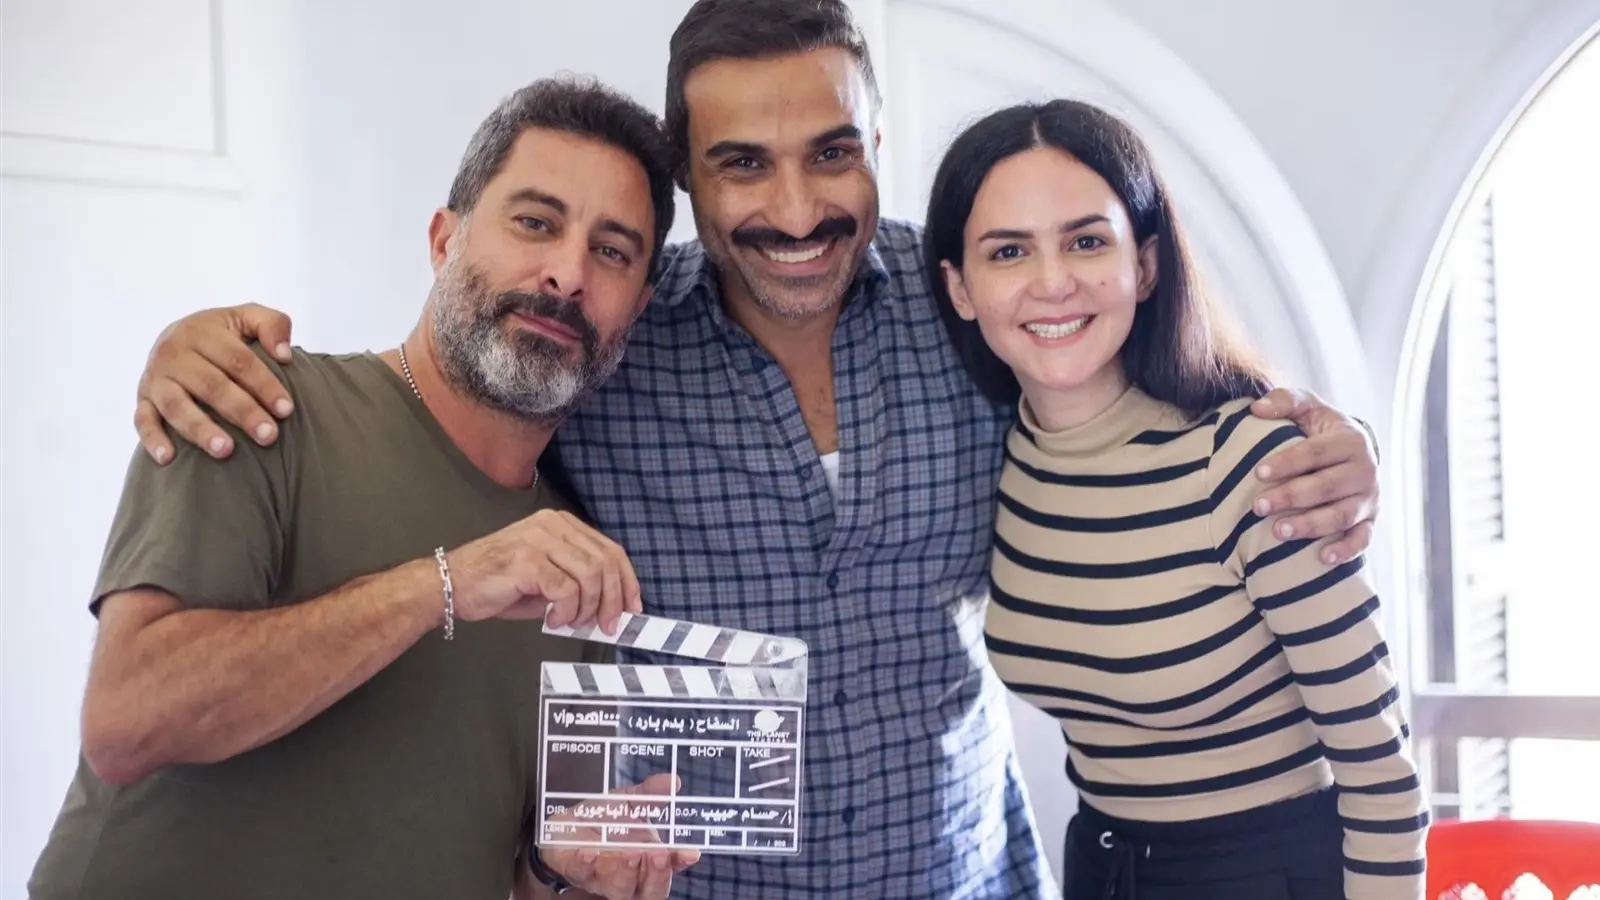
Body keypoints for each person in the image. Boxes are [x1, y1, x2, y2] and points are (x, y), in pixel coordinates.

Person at [117, 2, 1386, 896]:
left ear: (876, 143)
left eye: (832, 153)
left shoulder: (973, 308)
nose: (794, 209)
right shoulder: (604, 343)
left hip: (968, 876)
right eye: (742, 166)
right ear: (687, 180)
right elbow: (451, 380)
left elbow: (1152, 376)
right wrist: (196, 348)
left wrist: (1340, 436)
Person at [28, 76, 700, 900]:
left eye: (612, 251)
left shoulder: (578, 572)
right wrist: (442, 585)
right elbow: (127, 722)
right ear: (444, 240)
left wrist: (568, 869)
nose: (566, 273)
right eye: (535, 222)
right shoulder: (257, 403)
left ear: (637, 307)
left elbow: (511, 869)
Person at [925, 99, 1427, 899]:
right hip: (1102, 863)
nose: (1052, 282)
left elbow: (1383, 779)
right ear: (959, 287)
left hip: (1269, 876)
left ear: (1147, 264)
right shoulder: (1005, 455)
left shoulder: (1249, 464)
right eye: (1009, 251)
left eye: (1087, 241)